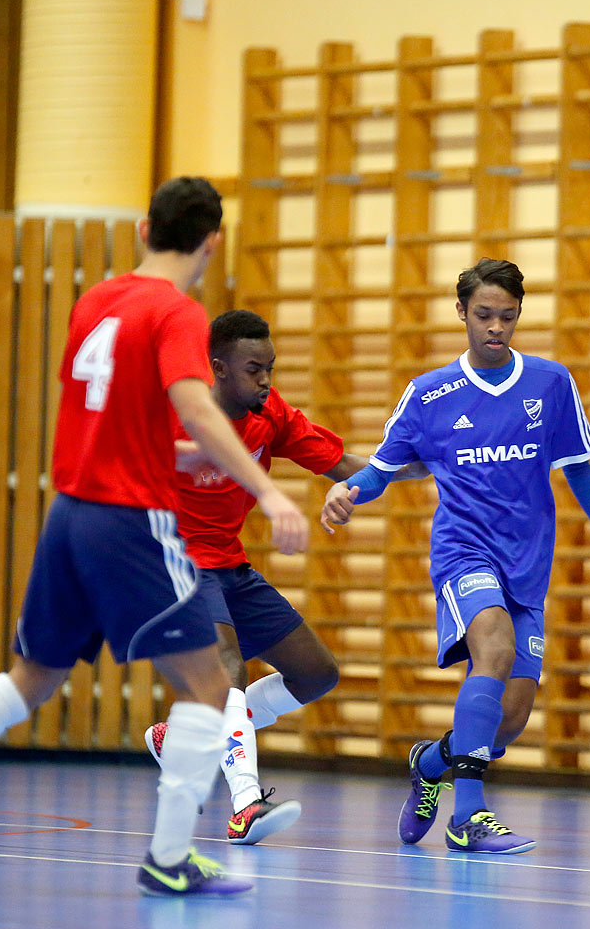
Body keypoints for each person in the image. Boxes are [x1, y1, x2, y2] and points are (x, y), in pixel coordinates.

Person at [0, 177, 310, 897]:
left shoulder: (96, 300)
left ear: (143, 229)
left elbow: (114, 425)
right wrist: (266, 490)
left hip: (68, 514)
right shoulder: (177, 312)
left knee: (31, 678)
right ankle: (171, 858)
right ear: (212, 241)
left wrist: (183, 458)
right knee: (209, 682)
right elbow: (195, 407)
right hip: (130, 521)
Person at [321, 257, 590, 854]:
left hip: (529, 563)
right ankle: (468, 818)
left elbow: (577, 469)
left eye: (507, 316)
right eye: (483, 316)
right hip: (463, 551)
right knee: (491, 647)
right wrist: (348, 492)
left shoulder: (550, 383)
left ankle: (432, 762)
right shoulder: (429, 394)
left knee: (512, 715)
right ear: (462, 315)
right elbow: (382, 469)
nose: (496, 327)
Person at [142, 309, 426, 843]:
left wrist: (426, 465)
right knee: (227, 669)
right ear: (218, 368)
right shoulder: (179, 412)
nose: (266, 380)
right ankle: (246, 804)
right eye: (254, 369)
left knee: (316, 674)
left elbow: (343, 463)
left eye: (270, 368)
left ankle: (182, 735)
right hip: (175, 563)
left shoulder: (268, 412)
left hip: (230, 565)